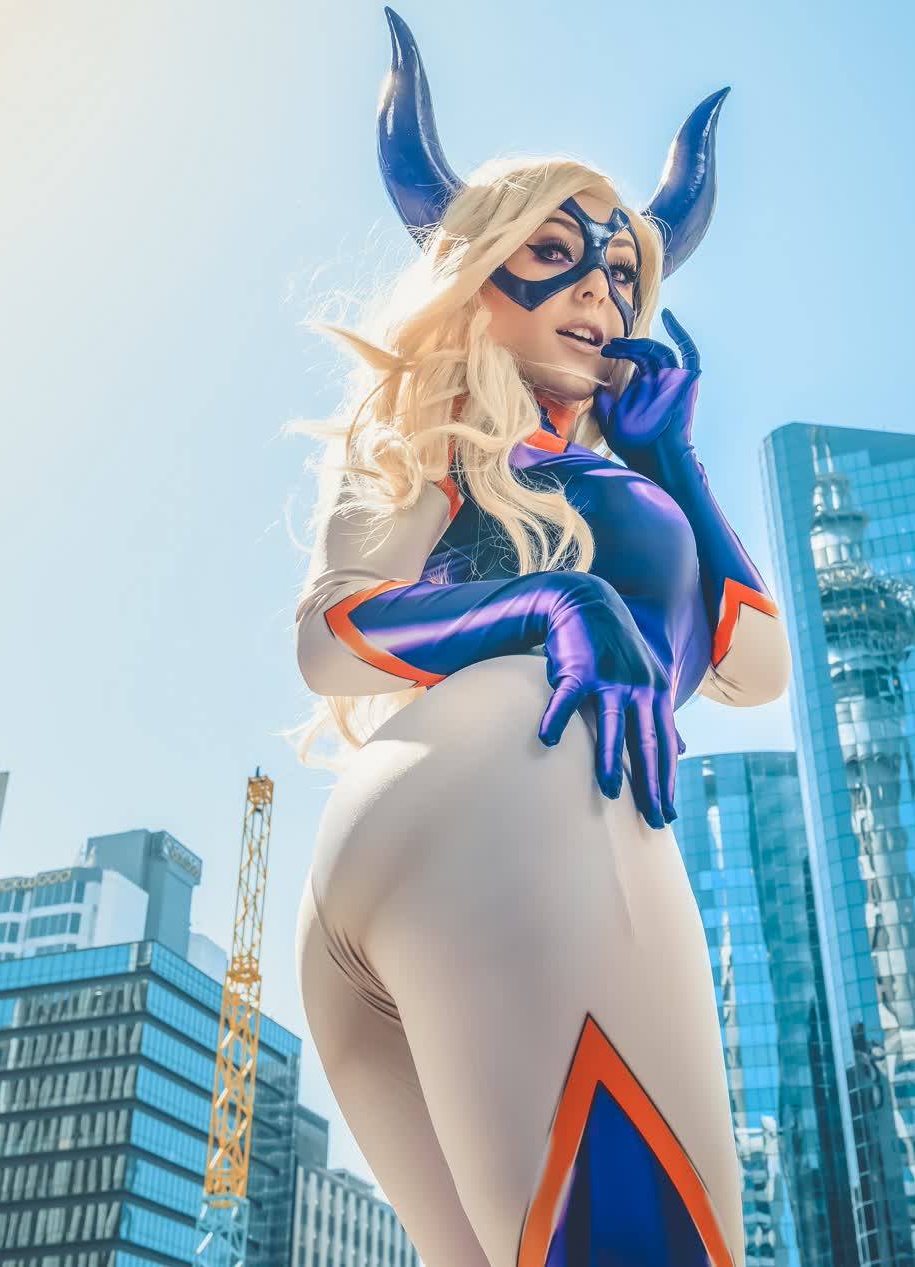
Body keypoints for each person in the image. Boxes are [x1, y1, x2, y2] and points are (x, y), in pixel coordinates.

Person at [291, 12, 787, 1266]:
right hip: (516, 775)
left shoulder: (624, 471)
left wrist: (672, 457)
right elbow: (331, 634)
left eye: (620, 274)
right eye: (555, 257)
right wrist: (552, 603)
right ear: (475, 275)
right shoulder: (443, 429)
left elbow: (754, 666)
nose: (598, 295)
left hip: (435, 854)